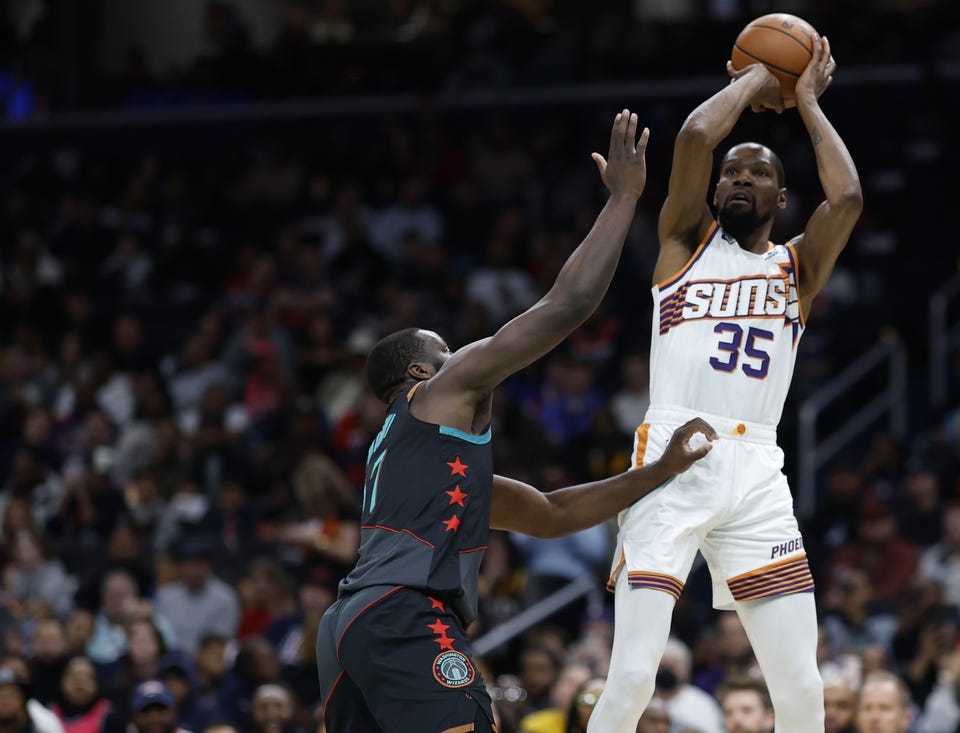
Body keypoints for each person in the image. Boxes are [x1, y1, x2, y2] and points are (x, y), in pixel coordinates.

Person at [316, 110, 718, 733]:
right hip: (404, 613)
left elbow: (552, 515)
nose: (467, 363)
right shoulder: (437, 399)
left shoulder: (412, 460)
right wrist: (625, 199)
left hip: (348, 627)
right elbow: (568, 305)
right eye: (447, 355)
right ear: (421, 377)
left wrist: (660, 470)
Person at [589, 34, 863, 733]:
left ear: (780, 193)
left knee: (802, 688)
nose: (741, 178)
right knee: (630, 677)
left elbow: (850, 195)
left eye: (758, 173)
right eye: (732, 173)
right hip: (670, 460)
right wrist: (754, 77)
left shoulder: (796, 269)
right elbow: (694, 135)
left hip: (757, 474)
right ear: (714, 192)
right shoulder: (684, 243)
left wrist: (803, 103)